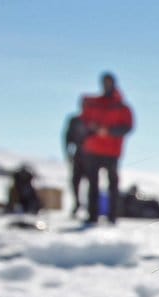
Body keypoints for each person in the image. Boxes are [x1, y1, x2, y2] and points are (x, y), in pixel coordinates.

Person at [79, 72, 133, 225]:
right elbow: (83, 121)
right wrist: (91, 129)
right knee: (92, 184)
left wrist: (109, 132)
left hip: (112, 151)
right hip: (93, 150)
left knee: (112, 185)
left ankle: (112, 216)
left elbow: (127, 127)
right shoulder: (94, 103)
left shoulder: (122, 107)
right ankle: (92, 216)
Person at [63, 110, 85, 218]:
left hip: (93, 157)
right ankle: (77, 203)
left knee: (92, 183)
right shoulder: (75, 120)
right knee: (75, 181)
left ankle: (91, 207)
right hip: (79, 155)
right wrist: (68, 152)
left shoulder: (95, 118)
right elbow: (67, 136)